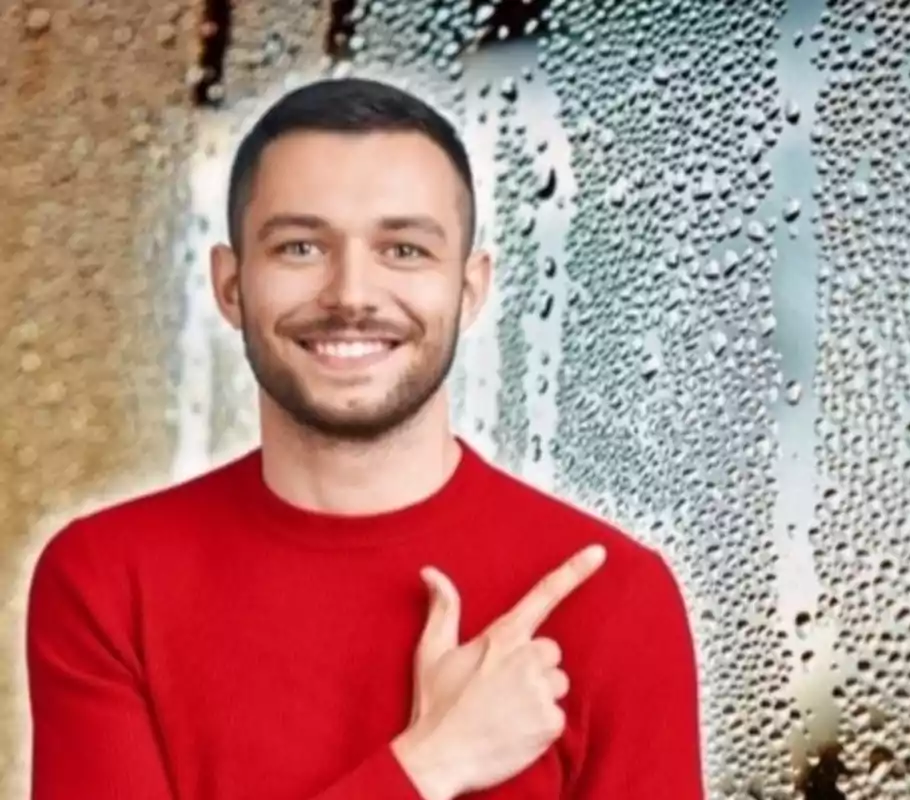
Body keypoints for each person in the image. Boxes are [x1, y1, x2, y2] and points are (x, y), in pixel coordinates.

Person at [25, 77, 705, 800]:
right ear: (230, 285)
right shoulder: (106, 581)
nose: (350, 293)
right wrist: (430, 766)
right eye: (299, 247)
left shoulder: (615, 602)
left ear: (470, 290)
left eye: (404, 250)